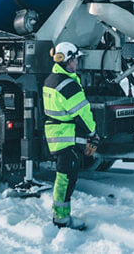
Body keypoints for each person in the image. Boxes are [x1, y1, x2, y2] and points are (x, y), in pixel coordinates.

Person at [42, 41, 100, 230]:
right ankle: (61, 219)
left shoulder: (51, 79)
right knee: (66, 176)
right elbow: (83, 114)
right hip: (64, 135)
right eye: (75, 59)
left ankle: (61, 216)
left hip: (57, 132)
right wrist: (93, 134)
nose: (77, 63)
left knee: (64, 175)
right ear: (68, 60)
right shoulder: (68, 85)